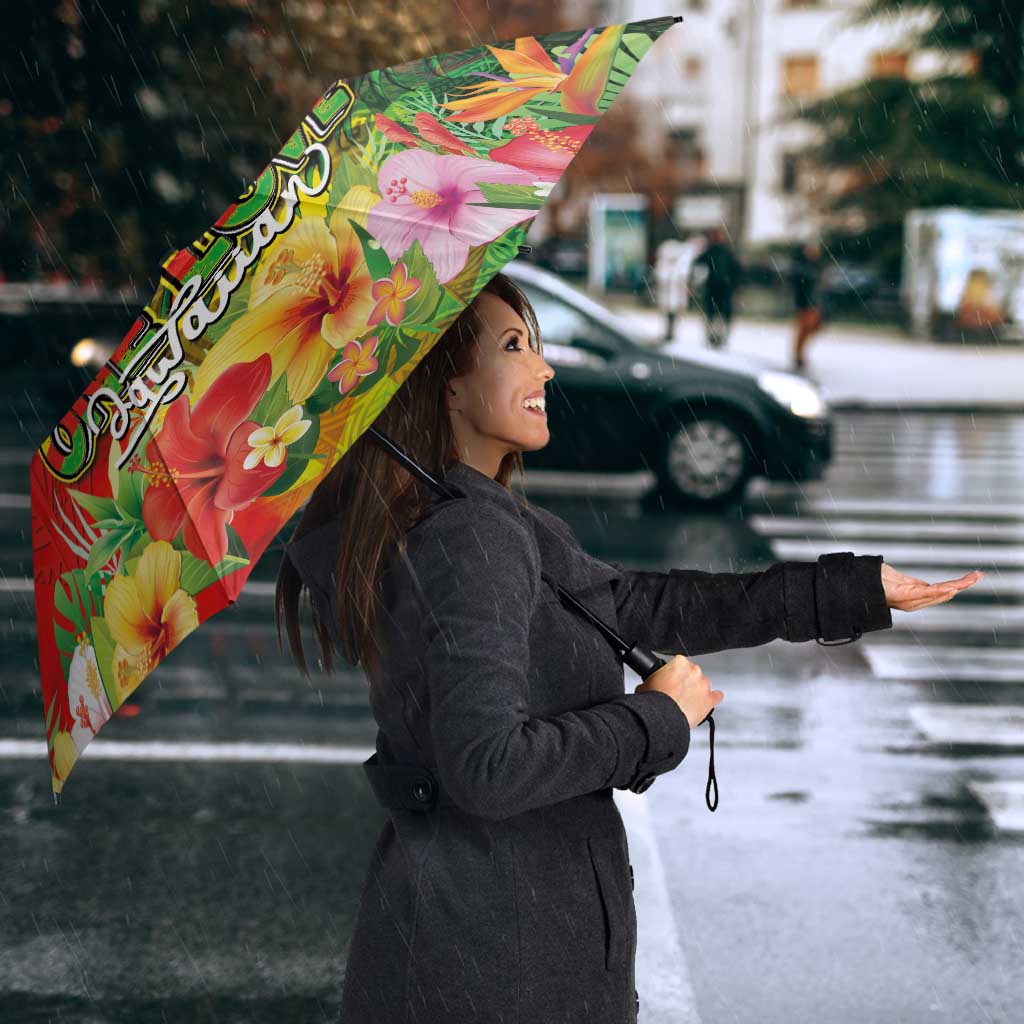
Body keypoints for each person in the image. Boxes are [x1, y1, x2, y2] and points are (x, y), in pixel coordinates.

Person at [277, 271, 981, 1024]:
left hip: (479, 943)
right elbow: (487, 767)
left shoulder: (479, 519)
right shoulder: (470, 536)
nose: (544, 368)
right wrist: (655, 719)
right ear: (447, 387)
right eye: (514, 346)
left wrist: (849, 590)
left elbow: (643, 605)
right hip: (496, 962)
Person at [692, 226, 742, 349]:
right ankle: (713, 337)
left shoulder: (725, 252)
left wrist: (735, 284)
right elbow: (698, 264)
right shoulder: (712, 251)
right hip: (715, 288)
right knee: (713, 314)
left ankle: (719, 337)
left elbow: (736, 270)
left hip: (723, 288)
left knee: (720, 315)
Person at [790, 239, 825, 370]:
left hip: (814, 303)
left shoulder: (816, 266)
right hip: (805, 303)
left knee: (812, 328)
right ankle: (798, 356)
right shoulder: (802, 267)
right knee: (804, 329)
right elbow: (799, 286)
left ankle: (800, 354)